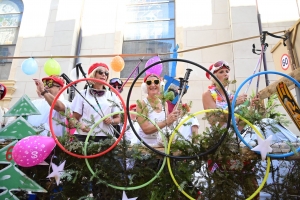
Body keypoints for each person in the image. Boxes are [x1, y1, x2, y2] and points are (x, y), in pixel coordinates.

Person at [71, 63, 121, 142]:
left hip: (105, 137)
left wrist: (111, 121)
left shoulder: (112, 95)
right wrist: (80, 125)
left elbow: (118, 119)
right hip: (84, 137)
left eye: (106, 73)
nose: (104, 75)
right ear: (93, 74)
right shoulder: (83, 94)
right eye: (100, 72)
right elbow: (73, 119)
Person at [136, 73, 180, 146]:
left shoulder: (164, 103)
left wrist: (173, 118)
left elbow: (166, 126)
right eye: (149, 82)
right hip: (145, 146)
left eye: (156, 82)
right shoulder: (142, 104)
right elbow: (146, 129)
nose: (153, 85)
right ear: (145, 87)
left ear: (160, 85)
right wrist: (167, 121)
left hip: (162, 145)